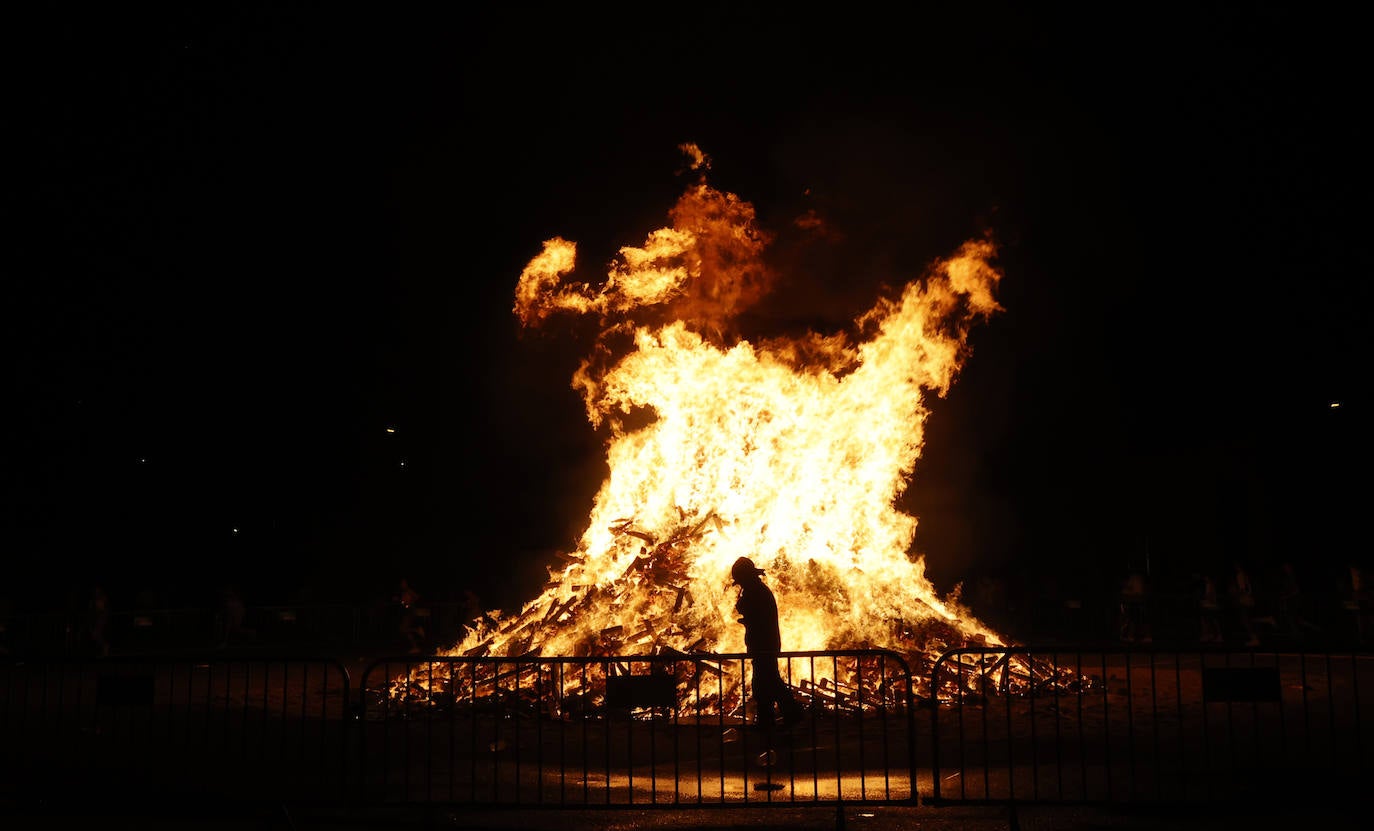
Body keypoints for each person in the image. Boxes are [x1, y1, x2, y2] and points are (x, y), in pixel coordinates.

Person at [730, 556, 805, 730]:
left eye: (741, 580)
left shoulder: (757, 592)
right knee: (767, 682)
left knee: (765, 683)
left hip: (764, 645)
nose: (740, 584)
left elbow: (744, 608)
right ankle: (773, 718)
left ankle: (786, 715)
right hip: (763, 644)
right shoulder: (757, 590)